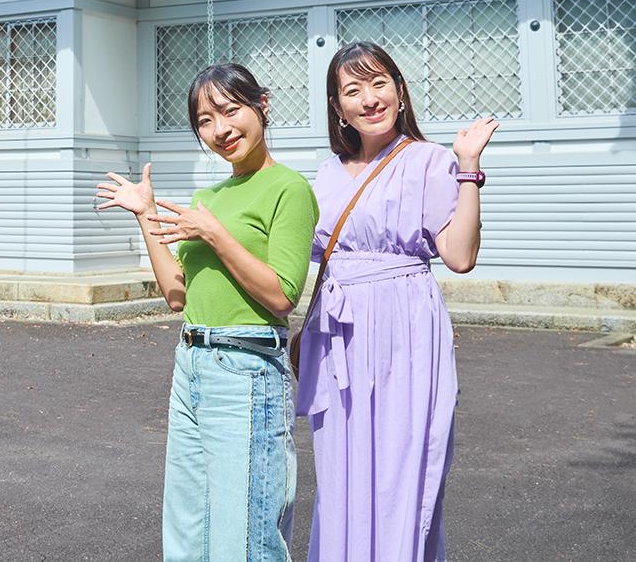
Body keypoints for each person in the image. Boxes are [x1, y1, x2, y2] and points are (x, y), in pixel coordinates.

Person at [97, 63, 317, 562]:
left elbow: (283, 296)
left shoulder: (289, 188)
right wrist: (145, 214)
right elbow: (177, 294)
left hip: (247, 369)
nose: (220, 129)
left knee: (245, 534)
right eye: (204, 120)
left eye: (230, 110)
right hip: (191, 363)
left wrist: (214, 234)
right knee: (187, 529)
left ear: (262, 104)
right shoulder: (207, 198)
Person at [298, 41, 498, 562]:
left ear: (401, 92)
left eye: (379, 83)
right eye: (352, 89)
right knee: (341, 470)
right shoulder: (324, 173)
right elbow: (313, 261)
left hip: (404, 329)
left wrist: (469, 166)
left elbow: (458, 255)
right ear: (337, 106)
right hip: (337, 335)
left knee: (401, 464)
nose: (369, 98)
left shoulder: (430, 161)